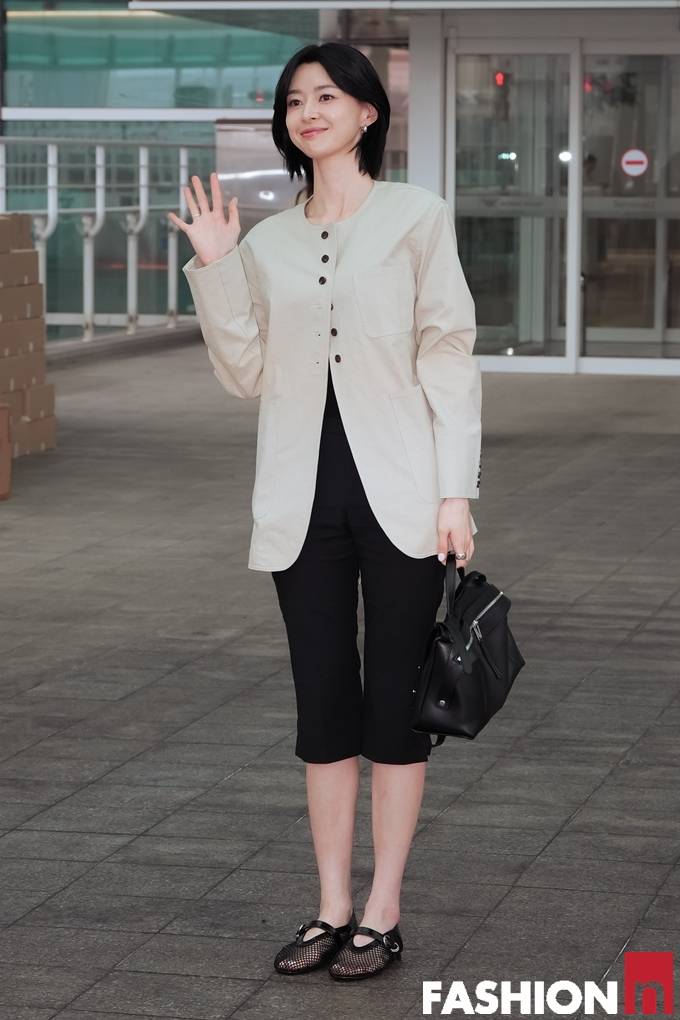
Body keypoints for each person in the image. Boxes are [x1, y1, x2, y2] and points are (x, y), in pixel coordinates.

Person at [169, 41, 482, 982]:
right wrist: (217, 266)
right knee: (323, 705)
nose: (308, 111)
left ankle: (384, 909)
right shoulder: (266, 242)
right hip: (300, 501)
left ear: (367, 112)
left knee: (395, 707)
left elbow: (447, 353)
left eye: (328, 96)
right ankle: (332, 905)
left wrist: (456, 491)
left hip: (402, 492)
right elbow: (246, 374)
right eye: (295, 100)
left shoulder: (416, 216)